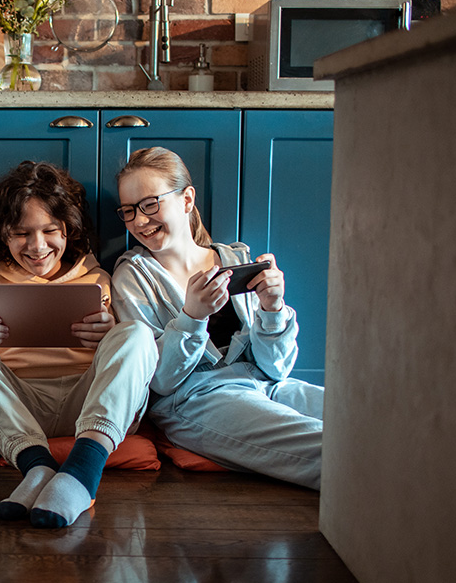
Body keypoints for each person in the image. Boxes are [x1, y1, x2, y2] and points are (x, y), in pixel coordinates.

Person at [0, 161, 157, 528]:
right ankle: (36, 467)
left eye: (50, 230)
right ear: (4, 235)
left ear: (68, 230)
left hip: (87, 404)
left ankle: (82, 473)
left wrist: (110, 331)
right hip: (19, 409)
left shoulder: (100, 280)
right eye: (21, 233)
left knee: (137, 333)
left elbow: (131, 363)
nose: (37, 246)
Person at [110, 147, 323, 490]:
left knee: (361, 420)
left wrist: (272, 307)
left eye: (150, 204)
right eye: (129, 211)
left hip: (267, 385)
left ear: (187, 199)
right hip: (196, 401)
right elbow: (160, 382)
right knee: (326, 445)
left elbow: (276, 369)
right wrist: (192, 316)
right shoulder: (133, 277)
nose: (139, 221)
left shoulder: (234, 258)